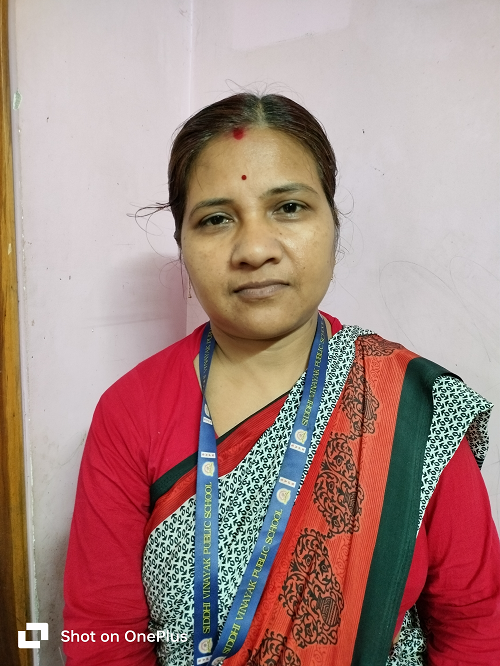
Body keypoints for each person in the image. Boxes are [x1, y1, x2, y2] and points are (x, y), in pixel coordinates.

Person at [63, 93, 500, 666]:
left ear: (333, 223)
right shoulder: (132, 411)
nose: (254, 249)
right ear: (182, 244)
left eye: (289, 207)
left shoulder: (415, 408)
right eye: (216, 219)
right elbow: (101, 636)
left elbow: (477, 627)